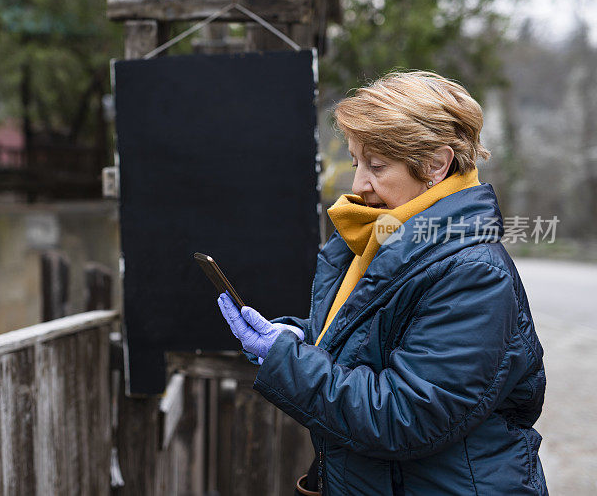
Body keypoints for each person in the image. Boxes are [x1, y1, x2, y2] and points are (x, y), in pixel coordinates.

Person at [217, 71, 547, 495]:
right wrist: (302, 338)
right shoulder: (385, 239)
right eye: (357, 163)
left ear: (435, 164)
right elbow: (378, 341)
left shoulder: (474, 272)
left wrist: (287, 361)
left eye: (377, 166)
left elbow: (405, 415)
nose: (359, 185)